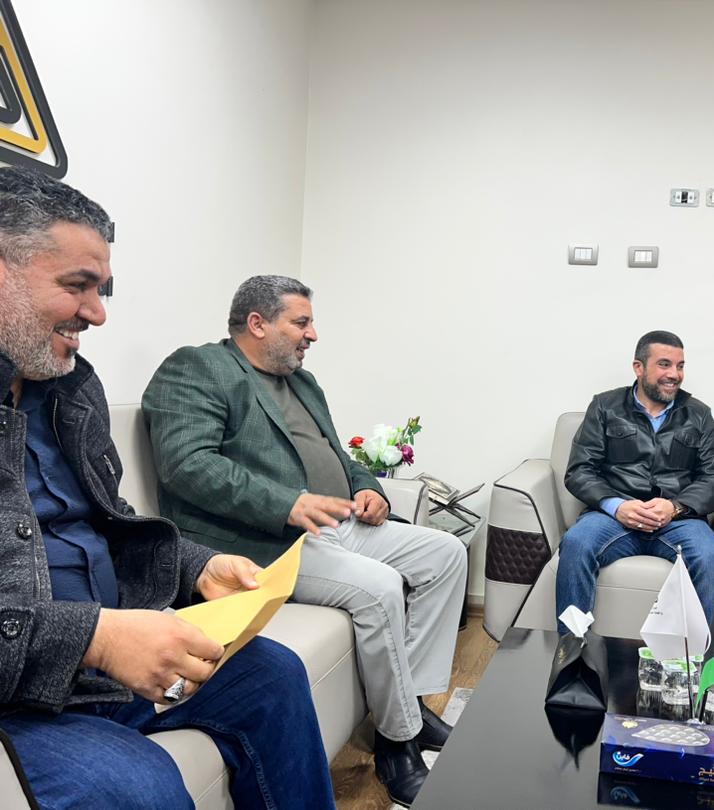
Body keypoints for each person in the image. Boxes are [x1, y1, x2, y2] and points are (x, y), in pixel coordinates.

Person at [0, 167, 334, 809]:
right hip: (22, 699)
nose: (98, 313)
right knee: (139, 785)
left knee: (272, 673)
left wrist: (197, 566)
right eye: (77, 286)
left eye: (101, 289)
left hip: (100, 668)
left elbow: (110, 522)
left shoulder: (69, 389)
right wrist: (97, 638)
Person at [141, 275, 467, 807]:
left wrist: (367, 488)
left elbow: (337, 453)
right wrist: (286, 504)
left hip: (338, 524)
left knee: (446, 553)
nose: (312, 334)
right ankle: (397, 741)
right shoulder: (199, 368)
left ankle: (410, 701)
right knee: (380, 587)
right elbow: (187, 465)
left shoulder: (303, 383)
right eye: (301, 322)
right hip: (267, 541)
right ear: (257, 323)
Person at [556, 330, 714, 632]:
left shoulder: (698, 414)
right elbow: (580, 470)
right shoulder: (605, 406)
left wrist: (675, 507)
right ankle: (571, 649)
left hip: (678, 521)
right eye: (664, 364)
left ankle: (700, 658)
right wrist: (617, 506)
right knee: (577, 543)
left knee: (713, 557)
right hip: (612, 519)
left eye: (680, 366)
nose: (674, 374)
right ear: (639, 367)